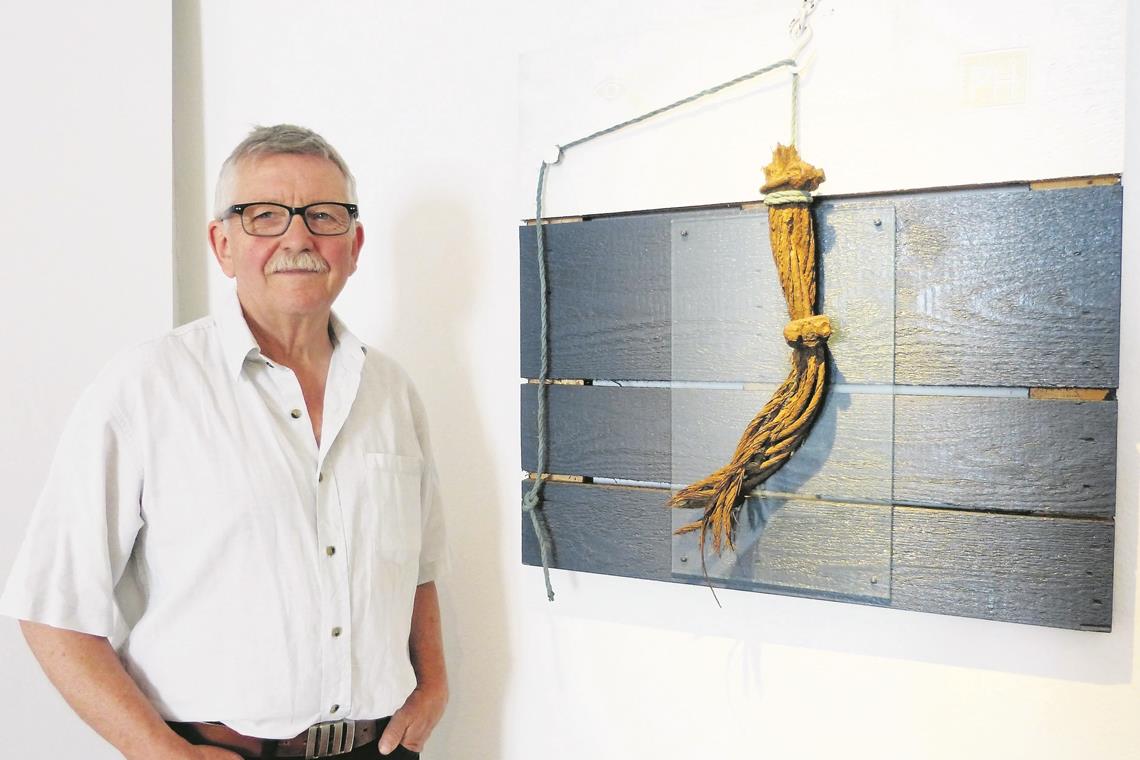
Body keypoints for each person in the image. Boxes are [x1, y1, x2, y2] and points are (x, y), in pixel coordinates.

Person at [0, 124, 448, 759]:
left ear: (354, 242)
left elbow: (420, 566)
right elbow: (50, 608)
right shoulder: (144, 387)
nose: (298, 237)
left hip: (379, 749)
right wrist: (163, 754)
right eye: (264, 216)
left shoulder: (392, 392)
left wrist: (434, 684)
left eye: (323, 215)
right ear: (222, 244)